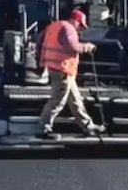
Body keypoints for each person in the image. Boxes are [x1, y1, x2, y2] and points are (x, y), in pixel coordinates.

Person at [38, 10, 104, 139]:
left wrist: (41, 64)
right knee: (58, 101)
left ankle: (88, 126)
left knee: (75, 100)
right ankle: (43, 128)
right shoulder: (69, 28)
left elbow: (41, 44)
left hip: (56, 68)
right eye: (80, 25)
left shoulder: (54, 26)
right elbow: (72, 46)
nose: (80, 29)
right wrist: (88, 47)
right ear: (76, 20)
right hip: (63, 69)